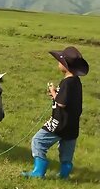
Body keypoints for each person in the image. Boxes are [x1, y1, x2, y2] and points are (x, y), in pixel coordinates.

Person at [22, 46, 89, 179]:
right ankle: (64, 175)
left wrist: (53, 92)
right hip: (72, 125)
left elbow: (61, 103)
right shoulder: (76, 81)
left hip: (59, 123)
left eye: (60, 62)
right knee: (66, 151)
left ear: (66, 66)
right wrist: (56, 95)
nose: (58, 63)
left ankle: (38, 171)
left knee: (38, 141)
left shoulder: (67, 82)